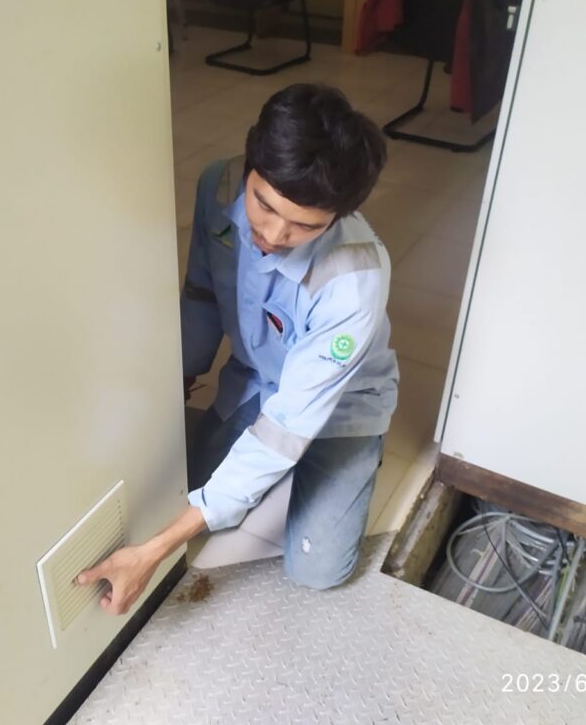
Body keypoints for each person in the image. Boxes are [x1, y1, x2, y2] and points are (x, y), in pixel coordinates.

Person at [77, 84, 399, 615]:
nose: (273, 232)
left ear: (339, 217)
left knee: (317, 570)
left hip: (343, 408)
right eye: (263, 204)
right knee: (191, 485)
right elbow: (203, 294)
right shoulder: (218, 186)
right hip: (256, 377)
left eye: (305, 225)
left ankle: (355, 460)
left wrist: (155, 552)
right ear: (249, 165)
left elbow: (287, 428)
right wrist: (176, 380)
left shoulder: (354, 279)